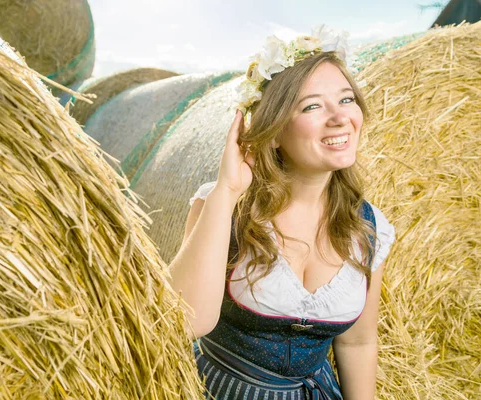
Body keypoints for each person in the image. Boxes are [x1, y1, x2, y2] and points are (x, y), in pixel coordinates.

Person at [168, 26, 395, 400]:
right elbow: (184, 321)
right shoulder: (223, 207)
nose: (339, 118)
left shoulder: (370, 230)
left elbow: (357, 343)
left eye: (347, 99)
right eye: (312, 106)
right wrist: (227, 190)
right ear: (273, 131)